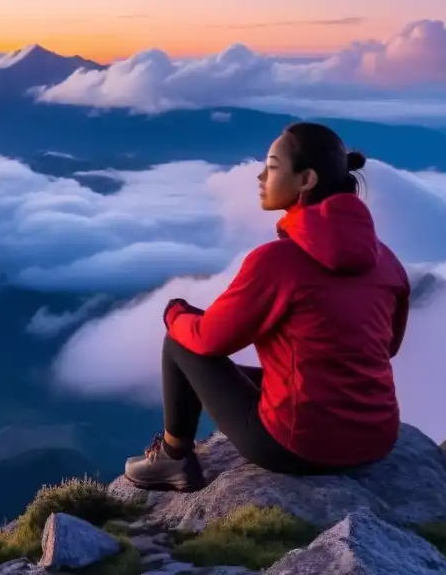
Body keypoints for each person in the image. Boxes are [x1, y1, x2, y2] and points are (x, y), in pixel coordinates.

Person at [124, 122, 411, 491]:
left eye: (273, 166)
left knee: (181, 341)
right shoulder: (387, 261)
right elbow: (387, 348)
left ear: (306, 179)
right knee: (244, 372)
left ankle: (172, 459)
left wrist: (174, 313)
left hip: (298, 445)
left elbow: (210, 340)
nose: (260, 176)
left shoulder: (277, 262)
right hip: (376, 440)